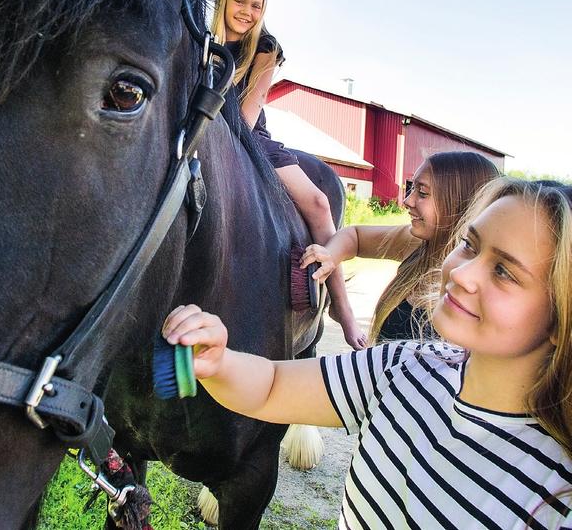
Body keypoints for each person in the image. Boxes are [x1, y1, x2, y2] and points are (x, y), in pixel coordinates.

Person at [163, 178, 572, 529]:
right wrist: (219, 362)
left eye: (504, 271)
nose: (462, 273)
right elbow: (270, 388)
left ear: (560, 316)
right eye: (469, 244)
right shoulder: (405, 365)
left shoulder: (556, 494)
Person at [212, 0, 365, 348]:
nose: (247, 11)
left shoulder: (264, 47)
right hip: (207, 136)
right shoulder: (202, 43)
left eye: (256, 5)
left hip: (248, 139)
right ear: (224, 0)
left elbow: (247, 116)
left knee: (317, 201)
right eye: (240, 1)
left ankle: (341, 307)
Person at [300, 151, 499, 343]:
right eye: (412, 189)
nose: (406, 201)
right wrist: (331, 255)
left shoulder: (477, 290)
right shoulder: (418, 244)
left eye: (422, 193)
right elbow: (355, 236)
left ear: (459, 203)